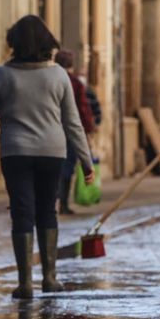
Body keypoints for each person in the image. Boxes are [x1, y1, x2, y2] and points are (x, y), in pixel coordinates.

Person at [0, 16, 95, 300]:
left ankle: (25, 282)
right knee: (47, 210)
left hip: (15, 152)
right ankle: (50, 278)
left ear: (13, 42)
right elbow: (72, 123)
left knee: (21, 211)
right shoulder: (58, 75)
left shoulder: (1, 75)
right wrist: (86, 160)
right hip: (52, 152)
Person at [53, 49, 95, 216]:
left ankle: (53, 200)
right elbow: (82, 108)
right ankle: (62, 202)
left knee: (54, 166)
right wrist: (88, 128)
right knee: (67, 167)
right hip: (69, 131)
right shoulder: (76, 83)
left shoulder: (51, 79)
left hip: (52, 130)